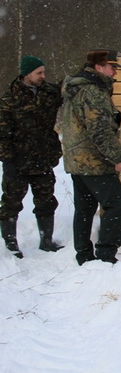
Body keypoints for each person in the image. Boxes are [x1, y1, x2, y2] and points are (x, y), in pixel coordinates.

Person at [61, 49, 121, 265]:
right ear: (99, 67)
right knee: (116, 205)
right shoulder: (93, 92)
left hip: (77, 160)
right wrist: (118, 157)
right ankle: (106, 255)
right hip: (94, 162)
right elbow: (99, 130)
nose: (114, 73)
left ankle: (83, 255)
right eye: (112, 68)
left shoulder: (78, 89)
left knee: (85, 209)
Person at [0, 56, 64, 258]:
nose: (43, 76)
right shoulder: (9, 99)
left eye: (44, 72)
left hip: (43, 159)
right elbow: (2, 134)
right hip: (18, 162)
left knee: (46, 201)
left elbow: (66, 89)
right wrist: (8, 162)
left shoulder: (49, 93)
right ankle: (11, 244)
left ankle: (46, 241)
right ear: (26, 74)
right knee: (11, 204)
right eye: (39, 73)